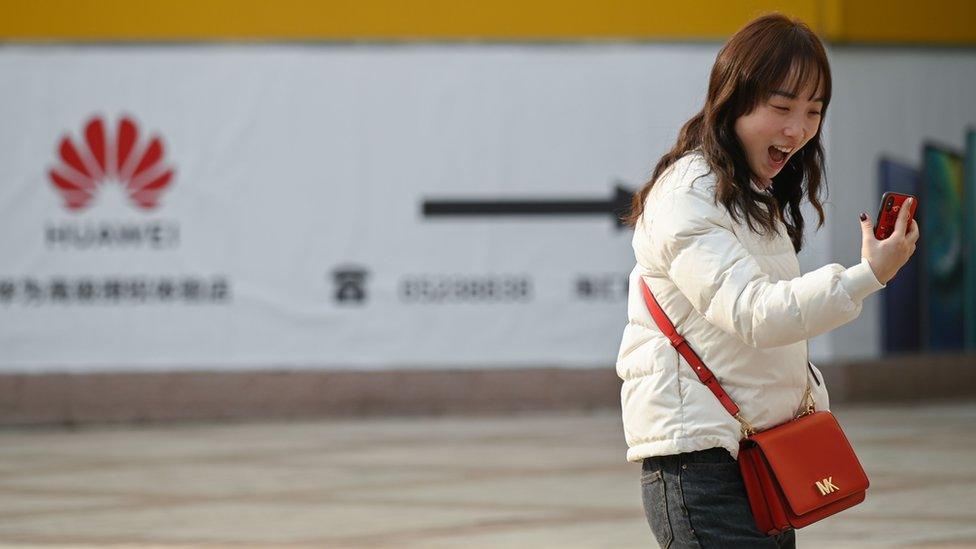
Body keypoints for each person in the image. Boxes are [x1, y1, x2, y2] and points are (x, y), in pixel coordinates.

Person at [615, 13, 918, 548]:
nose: (797, 129)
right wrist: (868, 276)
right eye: (781, 107)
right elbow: (755, 314)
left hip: (759, 458)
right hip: (701, 468)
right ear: (733, 99)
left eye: (813, 112)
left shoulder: (749, 194)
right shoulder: (688, 193)